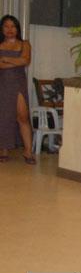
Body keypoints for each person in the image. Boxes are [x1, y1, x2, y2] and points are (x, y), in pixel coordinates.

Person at [0, 15, 34, 164]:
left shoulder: (25, 44)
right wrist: (17, 61)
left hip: (18, 83)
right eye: (6, 26)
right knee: (3, 117)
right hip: (2, 83)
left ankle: (28, 152)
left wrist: (6, 59)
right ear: (2, 29)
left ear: (18, 28)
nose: (10, 29)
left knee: (23, 117)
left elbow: (26, 60)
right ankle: (4, 150)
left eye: (13, 26)